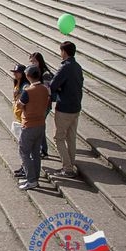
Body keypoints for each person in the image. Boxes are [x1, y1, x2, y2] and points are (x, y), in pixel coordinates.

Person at [49, 41, 84, 178]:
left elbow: (53, 85)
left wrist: (59, 88)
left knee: (58, 138)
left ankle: (67, 168)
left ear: (64, 52)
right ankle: (71, 164)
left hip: (64, 108)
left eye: (61, 51)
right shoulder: (77, 66)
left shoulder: (65, 67)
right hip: (76, 107)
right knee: (71, 138)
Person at [15, 65, 50, 191]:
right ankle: (35, 178)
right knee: (35, 153)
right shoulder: (45, 89)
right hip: (40, 124)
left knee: (24, 152)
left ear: (28, 76)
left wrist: (17, 101)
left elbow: (20, 105)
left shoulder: (28, 91)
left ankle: (31, 180)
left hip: (29, 125)